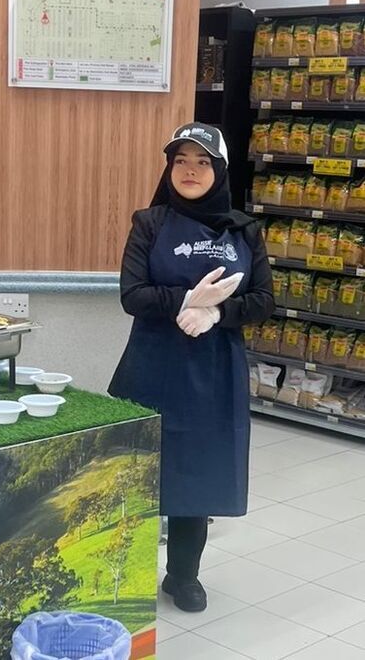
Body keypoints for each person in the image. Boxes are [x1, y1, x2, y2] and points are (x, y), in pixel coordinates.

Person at [108, 123, 275, 613]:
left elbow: (263, 300)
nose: (190, 170)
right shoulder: (149, 223)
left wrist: (218, 313)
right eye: (181, 160)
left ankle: (183, 575)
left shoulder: (244, 230)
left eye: (202, 162)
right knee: (139, 472)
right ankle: (127, 573)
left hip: (214, 372)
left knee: (195, 476)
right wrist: (186, 300)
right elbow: (132, 295)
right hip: (153, 367)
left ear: (219, 171)